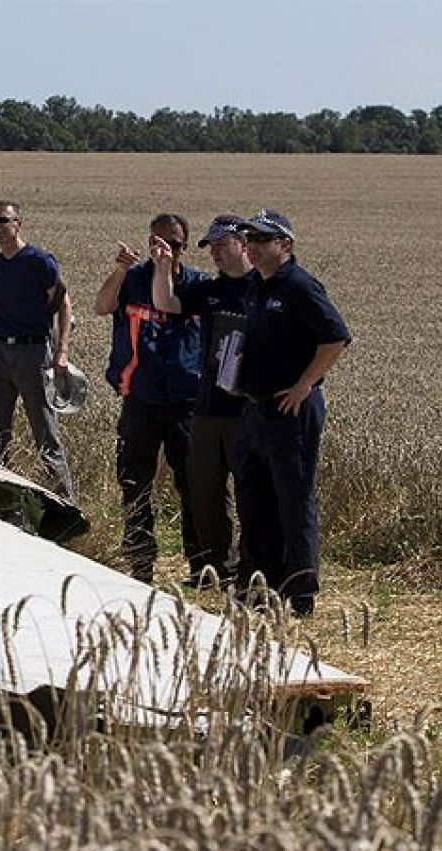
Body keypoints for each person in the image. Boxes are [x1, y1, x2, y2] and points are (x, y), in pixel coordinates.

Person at [230, 210, 350, 617]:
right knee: (254, 498)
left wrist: (305, 384)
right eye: (250, 238)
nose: (254, 245)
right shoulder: (255, 287)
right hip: (254, 409)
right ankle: (263, 585)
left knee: (294, 498)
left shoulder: (299, 286)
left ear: (286, 245)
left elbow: (335, 337)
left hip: (290, 411)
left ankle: (300, 593)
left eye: (263, 239)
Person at [94, 214, 205, 583]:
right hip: (140, 398)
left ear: (183, 248)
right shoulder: (133, 280)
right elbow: (102, 305)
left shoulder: (196, 285)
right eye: (158, 241)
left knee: (193, 484)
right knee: (134, 484)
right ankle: (141, 563)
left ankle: (201, 564)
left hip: (185, 400)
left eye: (172, 244)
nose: (164, 249)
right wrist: (120, 269)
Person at [149, 215, 257, 586]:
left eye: (222, 246)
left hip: (249, 412)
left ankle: (251, 570)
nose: (215, 254)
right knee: (204, 492)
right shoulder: (210, 291)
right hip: (208, 406)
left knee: (250, 493)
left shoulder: (262, 290)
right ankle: (216, 570)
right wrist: (163, 266)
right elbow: (165, 302)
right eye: (211, 247)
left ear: (244, 245)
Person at [0, 200, 76, 501]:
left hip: (34, 352)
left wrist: (61, 352)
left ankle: (64, 503)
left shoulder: (40, 262)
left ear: (18, 224)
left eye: (4, 220)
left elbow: (64, 304)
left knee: (45, 433)